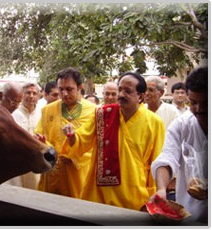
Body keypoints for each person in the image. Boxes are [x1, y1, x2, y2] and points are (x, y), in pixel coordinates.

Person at [63, 72, 165, 210]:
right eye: (120, 89)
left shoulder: (154, 122)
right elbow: (82, 140)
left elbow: (156, 161)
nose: (121, 95)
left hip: (134, 192)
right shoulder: (103, 114)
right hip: (100, 192)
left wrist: (154, 192)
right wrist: (72, 136)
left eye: (128, 91)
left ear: (140, 96)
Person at [150, 66, 208, 223]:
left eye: (206, 103)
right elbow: (167, 157)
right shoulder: (182, 124)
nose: (199, 109)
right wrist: (162, 189)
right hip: (190, 215)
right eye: (193, 103)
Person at [34, 67, 96, 198]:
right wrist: (42, 142)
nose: (65, 94)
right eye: (61, 89)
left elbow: (93, 145)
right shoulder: (48, 110)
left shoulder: (94, 111)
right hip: (52, 170)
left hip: (78, 173)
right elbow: (39, 133)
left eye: (69, 89)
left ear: (80, 87)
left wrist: (73, 150)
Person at [7, 82, 41, 189]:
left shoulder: (42, 113)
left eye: (34, 93)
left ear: (39, 96)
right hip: (18, 158)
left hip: (37, 158)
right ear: (22, 95)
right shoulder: (13, 113)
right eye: (28, 93)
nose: (31, 96)